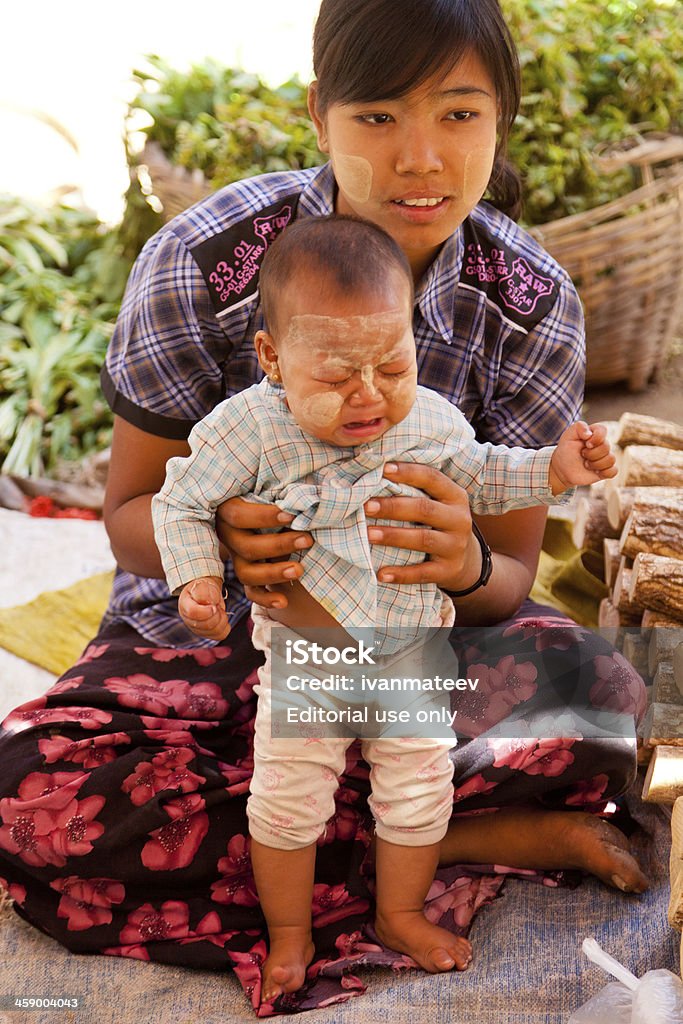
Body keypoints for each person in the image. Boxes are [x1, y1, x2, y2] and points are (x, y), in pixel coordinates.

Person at [0, 0, 649, 1016]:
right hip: (209, 653)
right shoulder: (205, 267)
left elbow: (509, 583)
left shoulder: (527, 302)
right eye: (379, 116)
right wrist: (211, 546)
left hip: (409, 658)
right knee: (33, 799)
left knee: (615, 692)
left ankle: (336, 841)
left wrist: (466, 567)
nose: (420, 159)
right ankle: (434, 842)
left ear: (501, 122)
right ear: (319, 114)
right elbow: (127, 512)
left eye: (460, 115)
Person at [151, 211, 621, 1001]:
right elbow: (178, 501)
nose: (368, 394)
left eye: (391, 366)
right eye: (335, 376)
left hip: (409, 654)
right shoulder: (248, 431)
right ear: (271, 357)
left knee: (417, 787)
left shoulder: (430, 420)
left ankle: (399, 910)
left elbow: (488, 474)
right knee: (286, 798)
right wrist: (197, 576)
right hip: (309, 661)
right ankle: (292, 934)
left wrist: (559, 469)